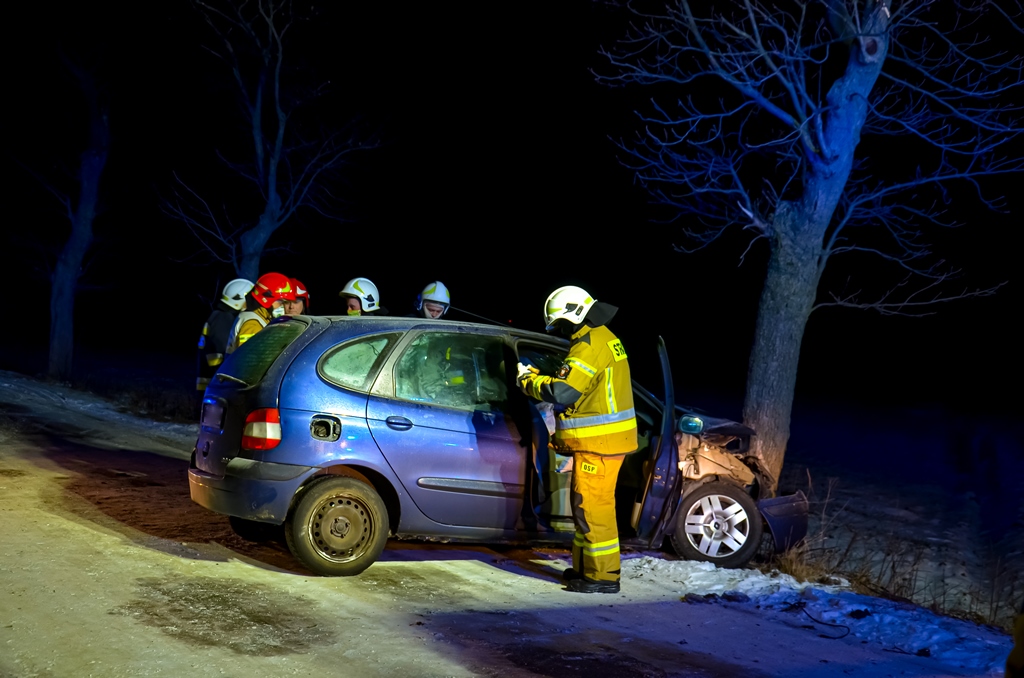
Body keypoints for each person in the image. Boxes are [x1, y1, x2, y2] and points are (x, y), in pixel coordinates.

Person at [516, 285, 637, 594]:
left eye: (559, 324)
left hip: (600, 444)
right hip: (604, 442)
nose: (560, 330)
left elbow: (563, 392)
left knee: (593, 508)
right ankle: (587, 569)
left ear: (573, 316)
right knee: (586, 506)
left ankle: (603, 577)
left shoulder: (589, 344)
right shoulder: (601, 337)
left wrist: (528, 381)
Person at [196, 278, 253, 392]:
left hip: (214, 385)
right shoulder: (223, 319)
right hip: (217, 385)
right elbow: (223, 353)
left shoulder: (220, 316)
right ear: (241, 299)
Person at [226, 272, 296, 354]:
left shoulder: (259, 317)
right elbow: (249, 360)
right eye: (280, 302)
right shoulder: (252, 323)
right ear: (266, 299)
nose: (282, 306)